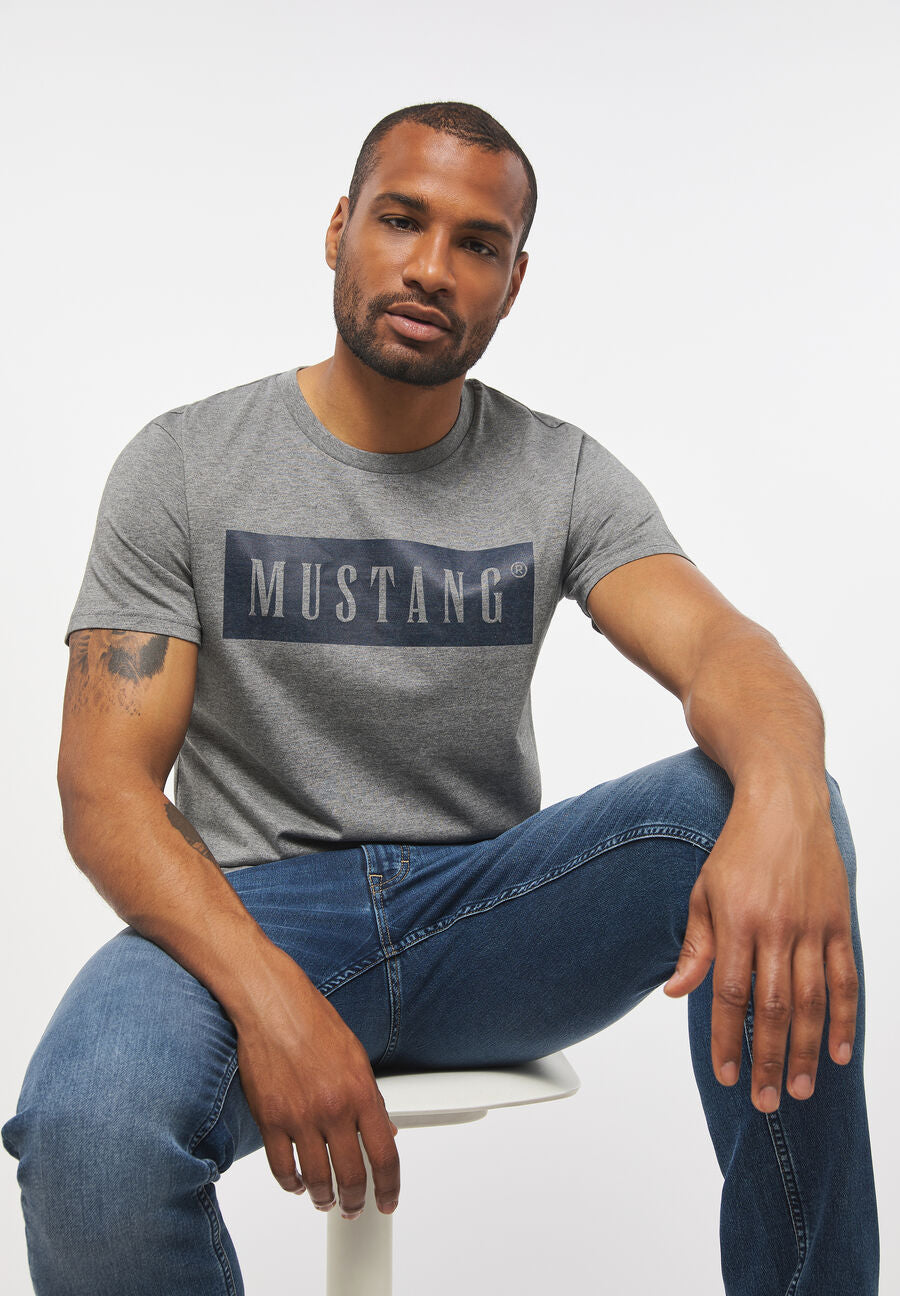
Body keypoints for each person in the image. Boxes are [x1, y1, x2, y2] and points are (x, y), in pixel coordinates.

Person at [2, 100, 879, 1295]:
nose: (430, 267)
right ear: (338, 230)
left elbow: (729, 652)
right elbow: (103, 792)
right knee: (87, 1137)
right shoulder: (186, 463)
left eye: (477, 243)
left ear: (514, 281)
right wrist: (275, 1001)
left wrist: (787, 795)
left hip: (489, 915)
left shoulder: (558, 472)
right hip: (247, 911)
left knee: (775, 803)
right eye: (401, 220)